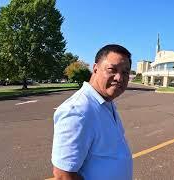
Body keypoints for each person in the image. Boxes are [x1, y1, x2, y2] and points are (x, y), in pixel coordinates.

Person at [51, 44, 133, 180]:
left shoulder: (106, 103)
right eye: (112, 69)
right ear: (95, 69)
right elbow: (63, 175)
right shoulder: (78, 111)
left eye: (125, 72)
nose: (120, 77)